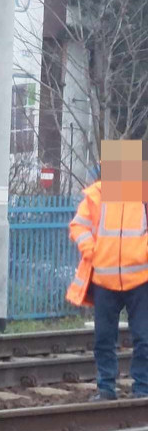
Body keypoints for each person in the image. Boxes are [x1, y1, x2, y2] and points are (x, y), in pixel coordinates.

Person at [67, 143, 148, 401]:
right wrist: (90, 249)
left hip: (140, 279)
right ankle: (106, 388)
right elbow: (78, 226)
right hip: (104, 278)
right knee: (103, 339)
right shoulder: (96, 195)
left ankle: (142, 389)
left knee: (144, 338)